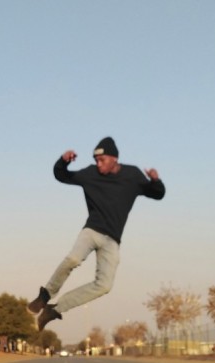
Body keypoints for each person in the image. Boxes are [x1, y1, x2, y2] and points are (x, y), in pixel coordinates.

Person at [28, 137, 165, 330]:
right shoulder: (90, 174)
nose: (98, 164)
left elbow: (157, 194)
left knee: (104, 286)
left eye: (102, 160)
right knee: (73, 259)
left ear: (114, 159)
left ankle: (54, 310)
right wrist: (63, 161)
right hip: (92, 230)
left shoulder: (132, 175)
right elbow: (61, 175)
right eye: (96, 160)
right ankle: (45, 296)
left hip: (113, 241)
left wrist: (155, 180)